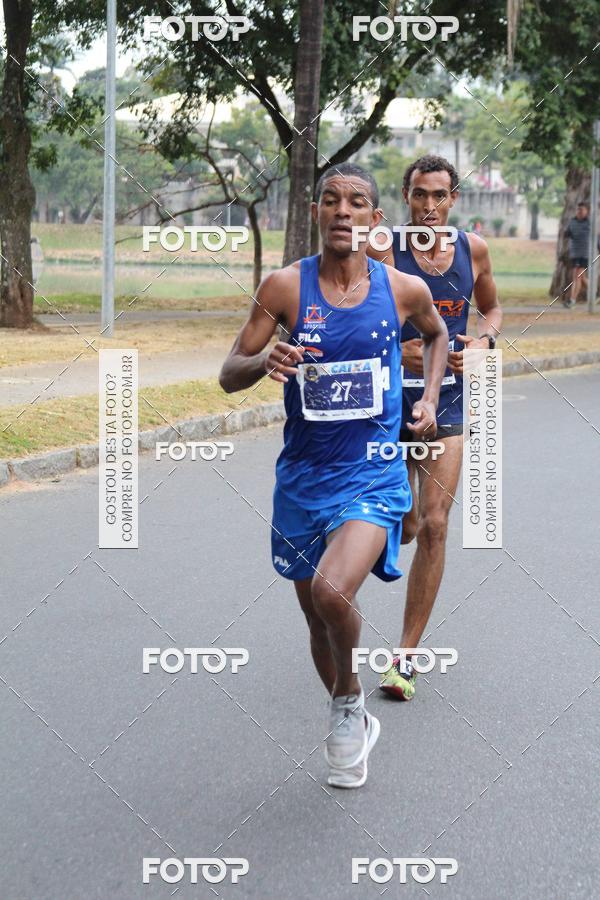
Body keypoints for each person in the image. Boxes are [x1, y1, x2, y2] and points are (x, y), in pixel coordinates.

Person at [219, 163, 448, 788]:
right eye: (330, 201)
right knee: (317, 617)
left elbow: (437, 335)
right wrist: (264, 359)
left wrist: (427, 398)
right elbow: (229, 371)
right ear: (316, 213)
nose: (343, 211)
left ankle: (348, 705)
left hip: (372, 473)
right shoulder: (285, 288)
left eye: (357, 203)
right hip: (302, 475)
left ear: (376, 221)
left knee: (331, 591)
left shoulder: (402, 290)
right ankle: (346, 700)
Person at [368, 153, 502, 700]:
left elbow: (491, 311)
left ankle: (405, 656)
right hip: (384, 401)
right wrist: (394, 347)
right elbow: (346, 305)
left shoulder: (474, 250)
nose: (429, 206)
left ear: (454, 199)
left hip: (445, 400)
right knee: (403, 521)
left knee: (437, 521)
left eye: (439, 195)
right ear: (406, 197)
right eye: (420, 195)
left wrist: (484, 342)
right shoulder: (383, 248)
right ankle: (398, 520)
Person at [563, 202, 590, 307]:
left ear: (587, 211)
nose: (580, 212)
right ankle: (594, 293)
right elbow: (567, 233)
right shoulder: (572, 222)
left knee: (577, 276)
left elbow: (596, 237)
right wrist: (566, 234)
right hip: (574, 253)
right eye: (578, 210)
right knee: (582, 278)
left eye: (582, 210)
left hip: (585, 254)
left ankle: (572, 300)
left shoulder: (590, 223)